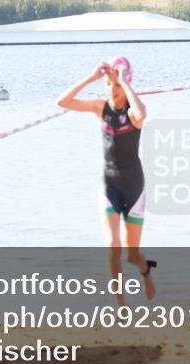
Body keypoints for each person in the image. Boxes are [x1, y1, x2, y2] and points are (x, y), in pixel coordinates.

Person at [56, 56, 156, 302]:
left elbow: (142, 114)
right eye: (109, 85)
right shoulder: (101, 108)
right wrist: (91, 78)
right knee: (112, 246)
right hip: (109, 183)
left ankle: (145, 271)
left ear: (127, 84)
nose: (113, 90)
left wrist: (125, 83)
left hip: (134, 187)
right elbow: (62, 102)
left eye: (118, 85)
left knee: (131, 255)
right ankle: (120, 304)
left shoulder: (133, 113)